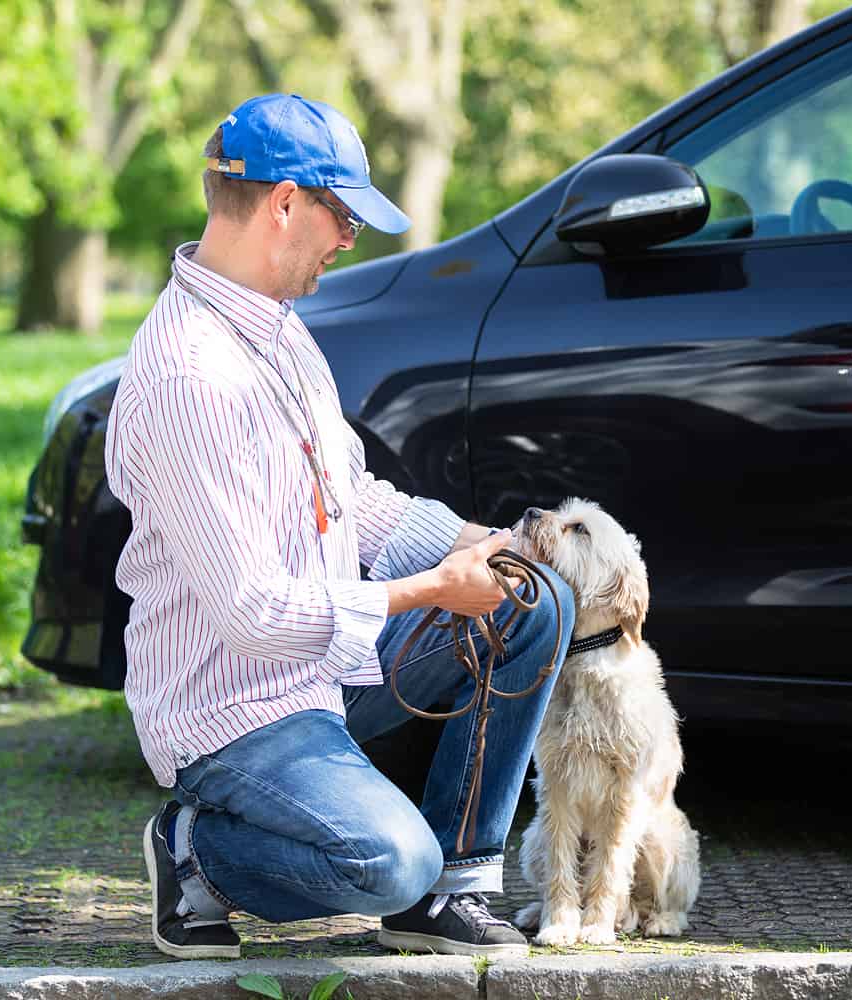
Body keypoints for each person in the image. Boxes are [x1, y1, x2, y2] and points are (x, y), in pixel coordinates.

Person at [102, 93, 575, 961]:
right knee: (386, 860)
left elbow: (352, 501)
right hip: (234, 709)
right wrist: (433, 592)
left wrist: (475, 542)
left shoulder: (279, 334)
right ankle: (196, 848)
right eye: (343, 213)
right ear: (285, 204)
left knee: (533, 601)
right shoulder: (190, 378)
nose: (352, 238)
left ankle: (453, 892)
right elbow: (255, 616)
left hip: (324, 667)